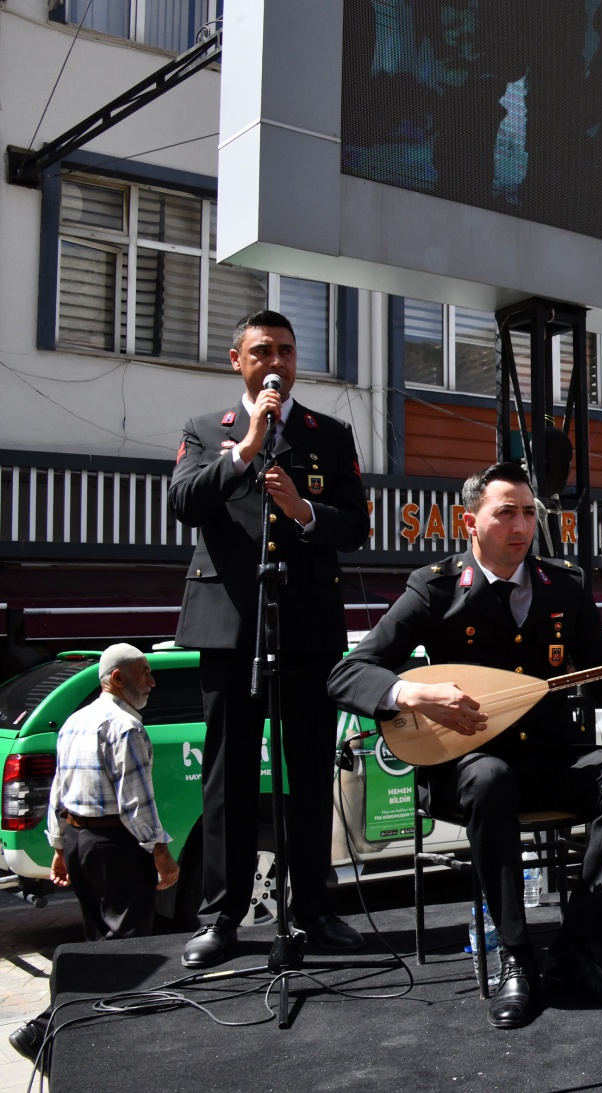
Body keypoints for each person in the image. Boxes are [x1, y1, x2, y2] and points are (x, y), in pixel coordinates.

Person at [330, 462, 602, 1028]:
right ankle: (515, 957)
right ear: (468, 522)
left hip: (547, 758)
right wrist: (414, 692)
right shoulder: (437, 588)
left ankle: (576, 947)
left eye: (529, 512)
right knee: (491, 777)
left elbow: (601, 669)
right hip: (464, 768)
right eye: (506, 512)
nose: (521, 525)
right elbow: (348, 674)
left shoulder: (563, 586)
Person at [168, 310, 371, 968]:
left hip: (306, 624)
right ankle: (221, 915)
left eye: (286, 349)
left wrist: (305, 512)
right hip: (229, 627)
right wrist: (247, 449)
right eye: (262, 351)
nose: (276, 361)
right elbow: (184, 501)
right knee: (228, 775)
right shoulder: (207, 430)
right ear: (237, 360)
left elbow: (355, 526)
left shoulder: (330, 435)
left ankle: (313, 905)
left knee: (310, 769)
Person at [8, 644, 181, 1070]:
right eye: (145, 673)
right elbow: (136, 802)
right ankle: (44, 1027)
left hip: (84, 846)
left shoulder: (75, 721)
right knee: (124, 948)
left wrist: (60, 847)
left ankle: (96, 1037)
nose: (152, 682)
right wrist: (161, 853)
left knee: (99, 946)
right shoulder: (126, 726)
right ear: (117, 678)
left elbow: (57, 793)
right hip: (115, 847)